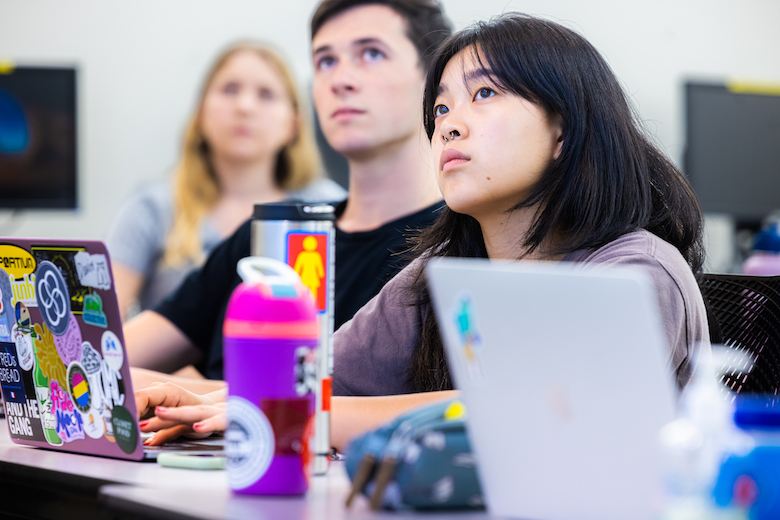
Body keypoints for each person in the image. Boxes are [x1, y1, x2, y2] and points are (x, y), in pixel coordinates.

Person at [136, 12, 711, 451]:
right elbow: (323, 382)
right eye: (439, 109)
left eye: (484, 94)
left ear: (564, 133)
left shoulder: (636, 271)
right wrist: (206, 400)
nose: (449, 124)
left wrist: (292, 410)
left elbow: (529, 415)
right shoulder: (437, 275)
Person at [125, 0, 452, 383]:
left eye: (371, 53)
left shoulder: (457, 243)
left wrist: (202, 395)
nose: (340, 79)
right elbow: (108, 361)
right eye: (325, 61)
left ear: (431, 78)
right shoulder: (267, 232)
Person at [107, 42, 345, 320]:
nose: (244, 107)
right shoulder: (152, 206)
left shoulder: (329, 207)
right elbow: (100, 322)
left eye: (266, 95)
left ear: (294, 123)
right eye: (229, 90)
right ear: (200, 113)